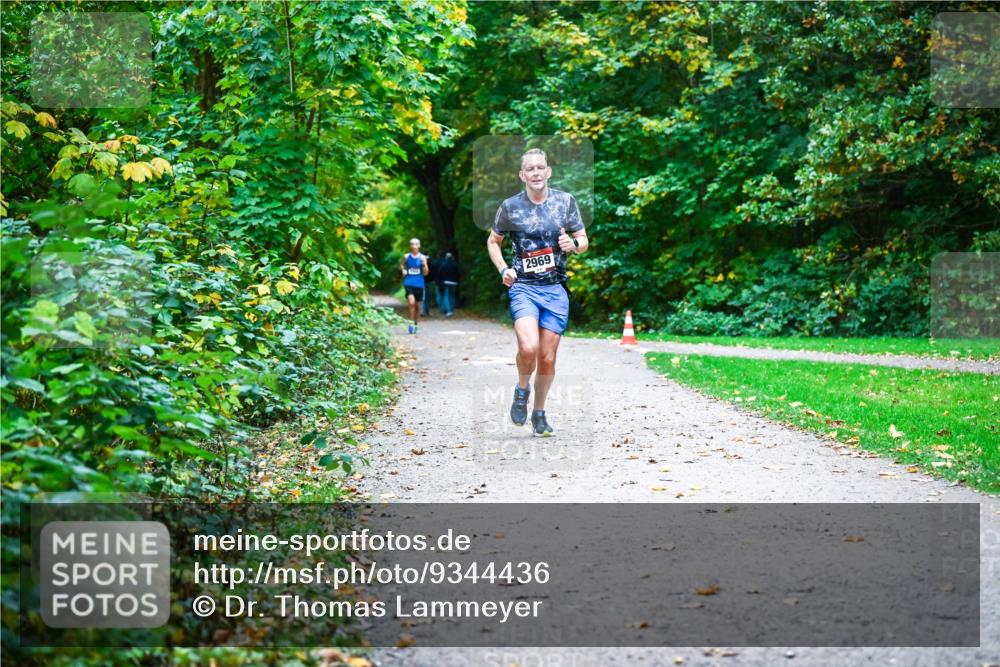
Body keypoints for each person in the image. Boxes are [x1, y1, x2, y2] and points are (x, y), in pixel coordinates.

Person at [486, 148, 589, 437]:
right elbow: (493, 242)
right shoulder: (510, 207)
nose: (535, 173)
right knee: (528, 347)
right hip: (524, 288)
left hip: (555, 289)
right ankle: (522, 389)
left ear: (548, 171)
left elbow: (583, 239)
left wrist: (574, 245)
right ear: (522, 175)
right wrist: (503, 269)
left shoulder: (565, 202)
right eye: (529, 169)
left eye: (540, 167)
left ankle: (539, 413)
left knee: (547, 357)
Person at [400, 238, 429, 334]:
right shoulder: (406, 256)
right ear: (410, 246)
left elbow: (426, 273)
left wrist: (424, 265)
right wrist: (403, 270)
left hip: (419, 284)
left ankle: (415, 324)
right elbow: (402, 265)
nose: (414, 246)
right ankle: (411, 324)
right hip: (408, 283)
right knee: (411, 303)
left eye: (416, 244)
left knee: (417, 307)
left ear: (419, 246)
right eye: (412, 244)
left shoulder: (422, 257)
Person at [436, 251, 460, 317]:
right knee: (452, 296)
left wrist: (440, 282)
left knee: (446, 296)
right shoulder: (455, 265)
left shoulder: (443, 265)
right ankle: (452, 310)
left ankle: (448, 311)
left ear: (446, 257)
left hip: (445, 282)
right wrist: (457, 281)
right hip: (454, 283)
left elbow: (440, 274)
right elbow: (458, 274)